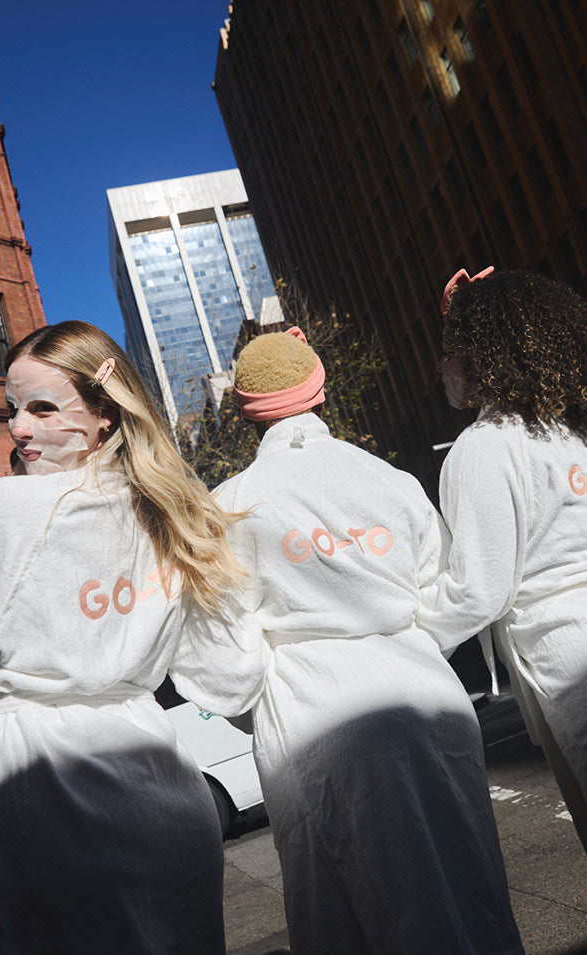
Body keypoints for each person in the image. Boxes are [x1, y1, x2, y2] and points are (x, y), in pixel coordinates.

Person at [0, 320, 267, 955]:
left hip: (39, 784)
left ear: (102, 415)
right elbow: (228, 678)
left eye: (43, 408)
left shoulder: (6, 509)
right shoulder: (174, 513)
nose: (19, 429)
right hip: (161, 786)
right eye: (13, 409)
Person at [214, 326, 523, 955]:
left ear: (247, 414)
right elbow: (450, 590)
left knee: (341, 910)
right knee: (468, 879)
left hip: (309, 715)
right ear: (321, 394)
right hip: (425, 697)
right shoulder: (390, 480)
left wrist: (254, 705)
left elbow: (224, 653)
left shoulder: (230, 506)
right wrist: (410, 643)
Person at [420, 267, 587, 851]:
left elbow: (478, 589)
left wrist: (406, 630)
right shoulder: (572, 430)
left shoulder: (484, 447)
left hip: (565, 654)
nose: (443, 367)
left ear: (482, 353)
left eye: (449, 350)